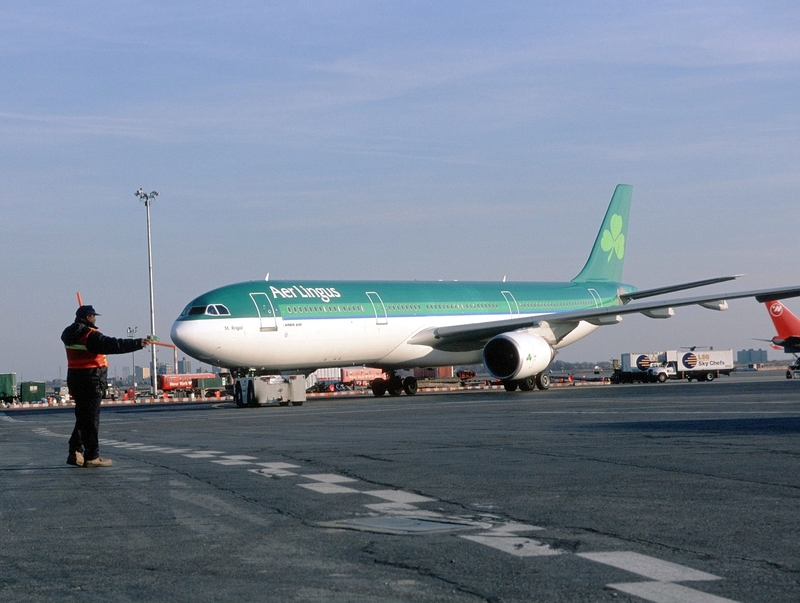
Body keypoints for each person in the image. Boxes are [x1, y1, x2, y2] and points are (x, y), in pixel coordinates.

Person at [61, 305, 151, 467]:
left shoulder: (68, 333)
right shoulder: (89, 335)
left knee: (83, 418)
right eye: (94, 316)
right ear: (88, 317)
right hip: (92, 380)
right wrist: (137, 343)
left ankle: (75, 452)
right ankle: (92, 456)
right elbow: (112, 344)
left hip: (75, 378)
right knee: (91, 420)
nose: (95, 319)